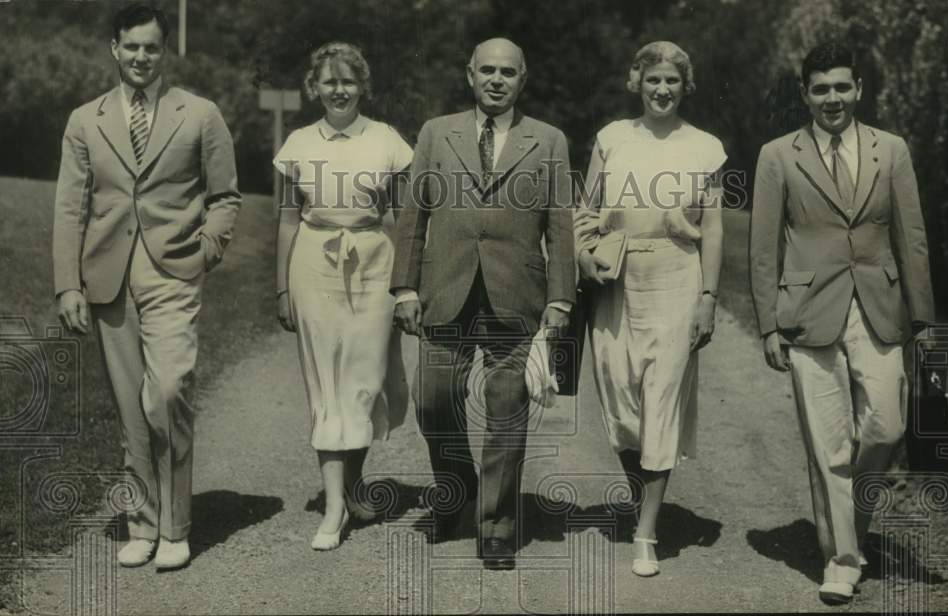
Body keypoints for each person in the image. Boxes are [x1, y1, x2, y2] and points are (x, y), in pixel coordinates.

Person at [52, 3, 241, 570]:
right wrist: (68, 285)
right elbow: (69, 208)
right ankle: (143, 522)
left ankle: (176, 527)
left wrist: (205, 251)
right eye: (131, 46)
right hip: (108, 279)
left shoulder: (200, 114)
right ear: (115, 49)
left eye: (151, 47)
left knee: (167, 392)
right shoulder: (85, 120)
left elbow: (225, 196)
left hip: (173, 272)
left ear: (165, 52)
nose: (141, 57)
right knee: (131, 409)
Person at [749, 41, 934, 604]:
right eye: (821, 89)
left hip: (880, 306)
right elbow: (762, 248)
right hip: (807, 312)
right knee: (828, 443)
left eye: (842, 87)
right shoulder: (777, 155)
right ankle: (842, 560)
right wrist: (768, 325)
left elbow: (912, 236)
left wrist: (923, 318)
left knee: (886, 428)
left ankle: (848, 521)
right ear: (805, 94)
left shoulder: (891, 150)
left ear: (859, 89)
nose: (832, 99)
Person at [390, 38, 575, 570]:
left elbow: (560, 226)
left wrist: (561, 299)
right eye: (487, 70)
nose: (497, 80)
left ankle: (496, 524)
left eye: (507, 72)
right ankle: (458, 490)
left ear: (523, 79)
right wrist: (405, 288)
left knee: (506, 410)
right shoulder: (436, 133)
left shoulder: (549, 140)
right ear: (470, 75)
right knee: (432, 400)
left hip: (516, 294)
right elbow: (414, 216)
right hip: (445, 289)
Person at [575, 41, 725, 578]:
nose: (662, 90)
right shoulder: (612, 138)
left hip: (676, 277)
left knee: (661, 399)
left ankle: (646, 531)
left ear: (686, 86)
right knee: (620, 400)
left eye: (672, 81)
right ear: (636, 81)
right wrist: (583, 255)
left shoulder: (706, 148)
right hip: (617, 279)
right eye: (653, 79)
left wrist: (709, 297)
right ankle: (644, 496)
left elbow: (713, 230)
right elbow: (586, 211)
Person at [273, 42, 411, 551]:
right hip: (314, 264)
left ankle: (353, 484)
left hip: (374, 265)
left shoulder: (387, 140)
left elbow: (402, 219)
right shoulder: (298, 144)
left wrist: (405, 286)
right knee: (326, 384)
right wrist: (282, 287)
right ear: (314, 87)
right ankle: (334, 507)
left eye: (348, 81)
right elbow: (287, 220)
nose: (339, 90)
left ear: (362, 86)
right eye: (329, 81)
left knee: (364, 383)